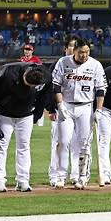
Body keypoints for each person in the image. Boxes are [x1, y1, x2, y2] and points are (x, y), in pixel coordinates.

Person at [0, 62, 52, 192]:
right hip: (5, 114)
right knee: (1, 145)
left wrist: (36, 115)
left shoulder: (46, 77)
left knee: (24, 146)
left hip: (26, 115)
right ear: (24, 75)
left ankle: (23, 180)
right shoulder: (6, 73)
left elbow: (44, 97)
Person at [51, 37, 106, 189]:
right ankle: (61, 176)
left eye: (87, 52)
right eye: (81, 52)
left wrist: (99, 110)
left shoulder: (95, 65)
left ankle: (82, 177)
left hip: (86, 107)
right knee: (63, 142)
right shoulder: (63, 62)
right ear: (74, 50)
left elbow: (101, 89)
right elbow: (56, 85)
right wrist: (60, 104)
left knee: (84, 144)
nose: (84, 55)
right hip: (66, 106)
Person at [48, 35, 76, 186]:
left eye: (75, 46)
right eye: (70, 46)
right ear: (65, 49)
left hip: (79, 109)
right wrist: (52, 108)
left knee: (77, 143)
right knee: (58, 143)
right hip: (60, 109)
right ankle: (54, 175)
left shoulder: (85, 65)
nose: (73, 49)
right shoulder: (57, 65)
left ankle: (75, 174)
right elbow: (50, 88)